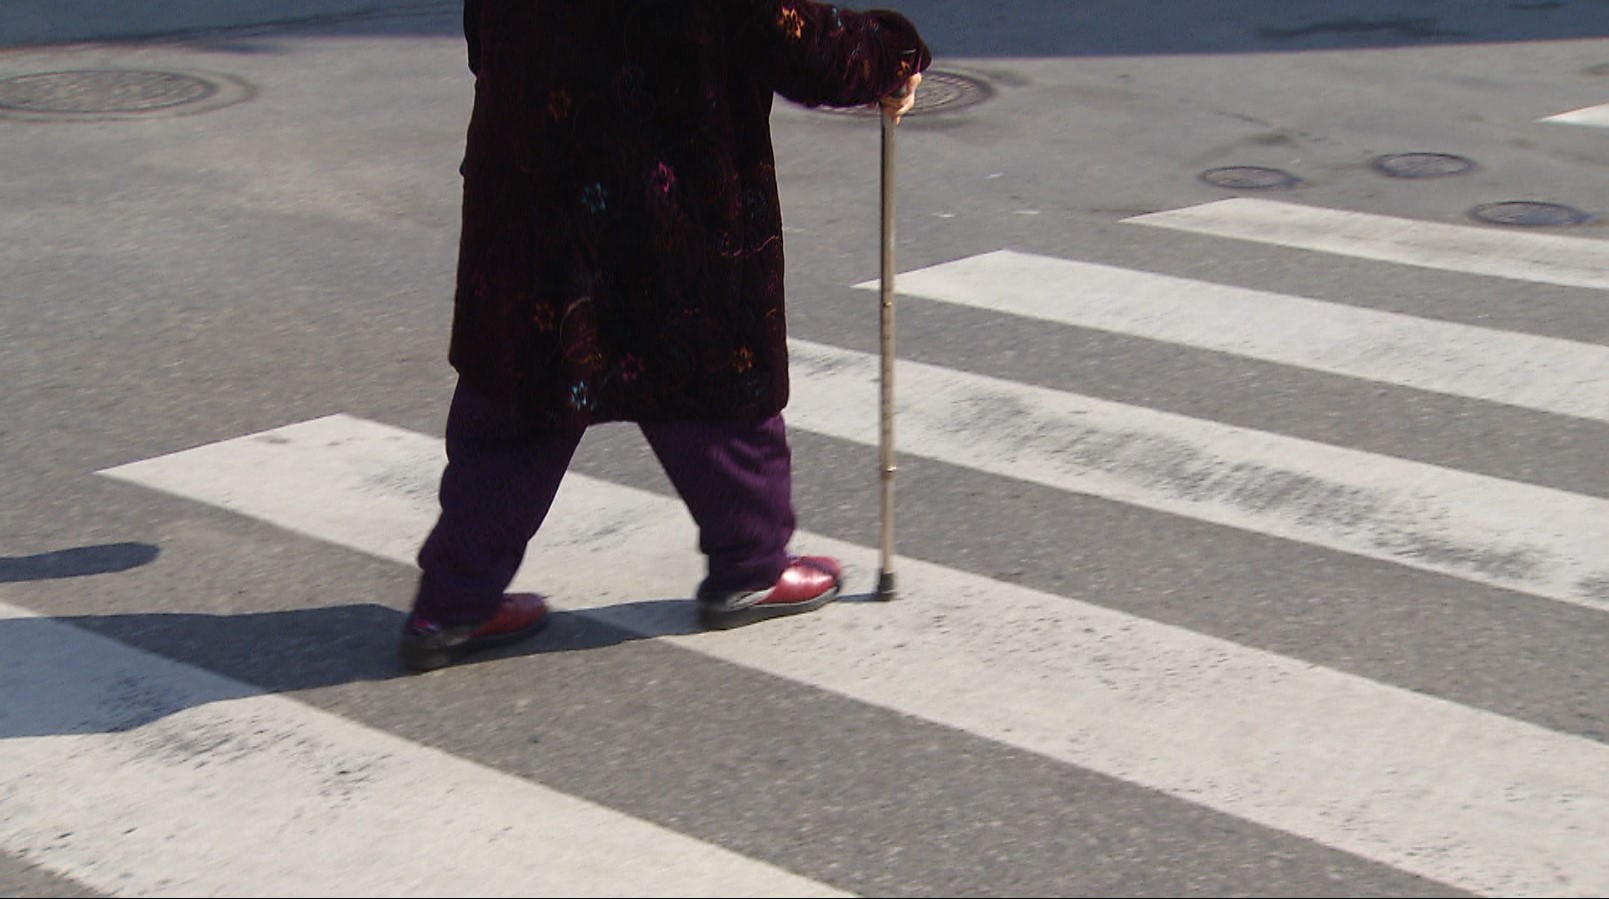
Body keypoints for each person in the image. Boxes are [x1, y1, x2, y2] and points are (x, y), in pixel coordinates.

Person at [400, 1, 931, 673]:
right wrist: (889, 55)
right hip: (670, 188)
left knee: (518, 386)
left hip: (536, 172)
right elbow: (790, 36)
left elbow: (484, 29)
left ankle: (451, 602)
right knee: (712, 375)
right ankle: (751, 563)